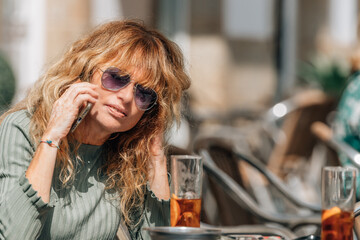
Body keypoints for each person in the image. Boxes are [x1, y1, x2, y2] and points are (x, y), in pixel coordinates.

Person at [0, 20, 190, 240]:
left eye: (144, 94)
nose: (127, 97)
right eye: (117, 77)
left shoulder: (125, 154)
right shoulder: (23, 129)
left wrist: (156, 160)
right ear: (85, 70)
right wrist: (52, 138)